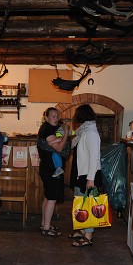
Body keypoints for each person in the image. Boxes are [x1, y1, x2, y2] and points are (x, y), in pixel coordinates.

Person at [69, 104, 102, 246]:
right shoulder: (83, 131)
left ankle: (88, 237)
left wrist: (90, 179)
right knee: (80, 204)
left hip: (89, 175)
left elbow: (95, 157)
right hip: (81, 173)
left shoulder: (91, 133)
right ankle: (82, 230)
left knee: (88, 206)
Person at [37, 107, 71, 236]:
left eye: (57, 116)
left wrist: (57, 139)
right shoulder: (48, 130)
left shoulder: (47, 128)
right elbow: (60, 148)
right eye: (53, 116)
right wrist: (65, 134)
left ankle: (44, 224)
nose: (56, 119)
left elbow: (54, 143)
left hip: (47, 168)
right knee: (52, 198)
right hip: (51, 169)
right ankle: (46, 228)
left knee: (48, 196)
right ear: (46, 117)